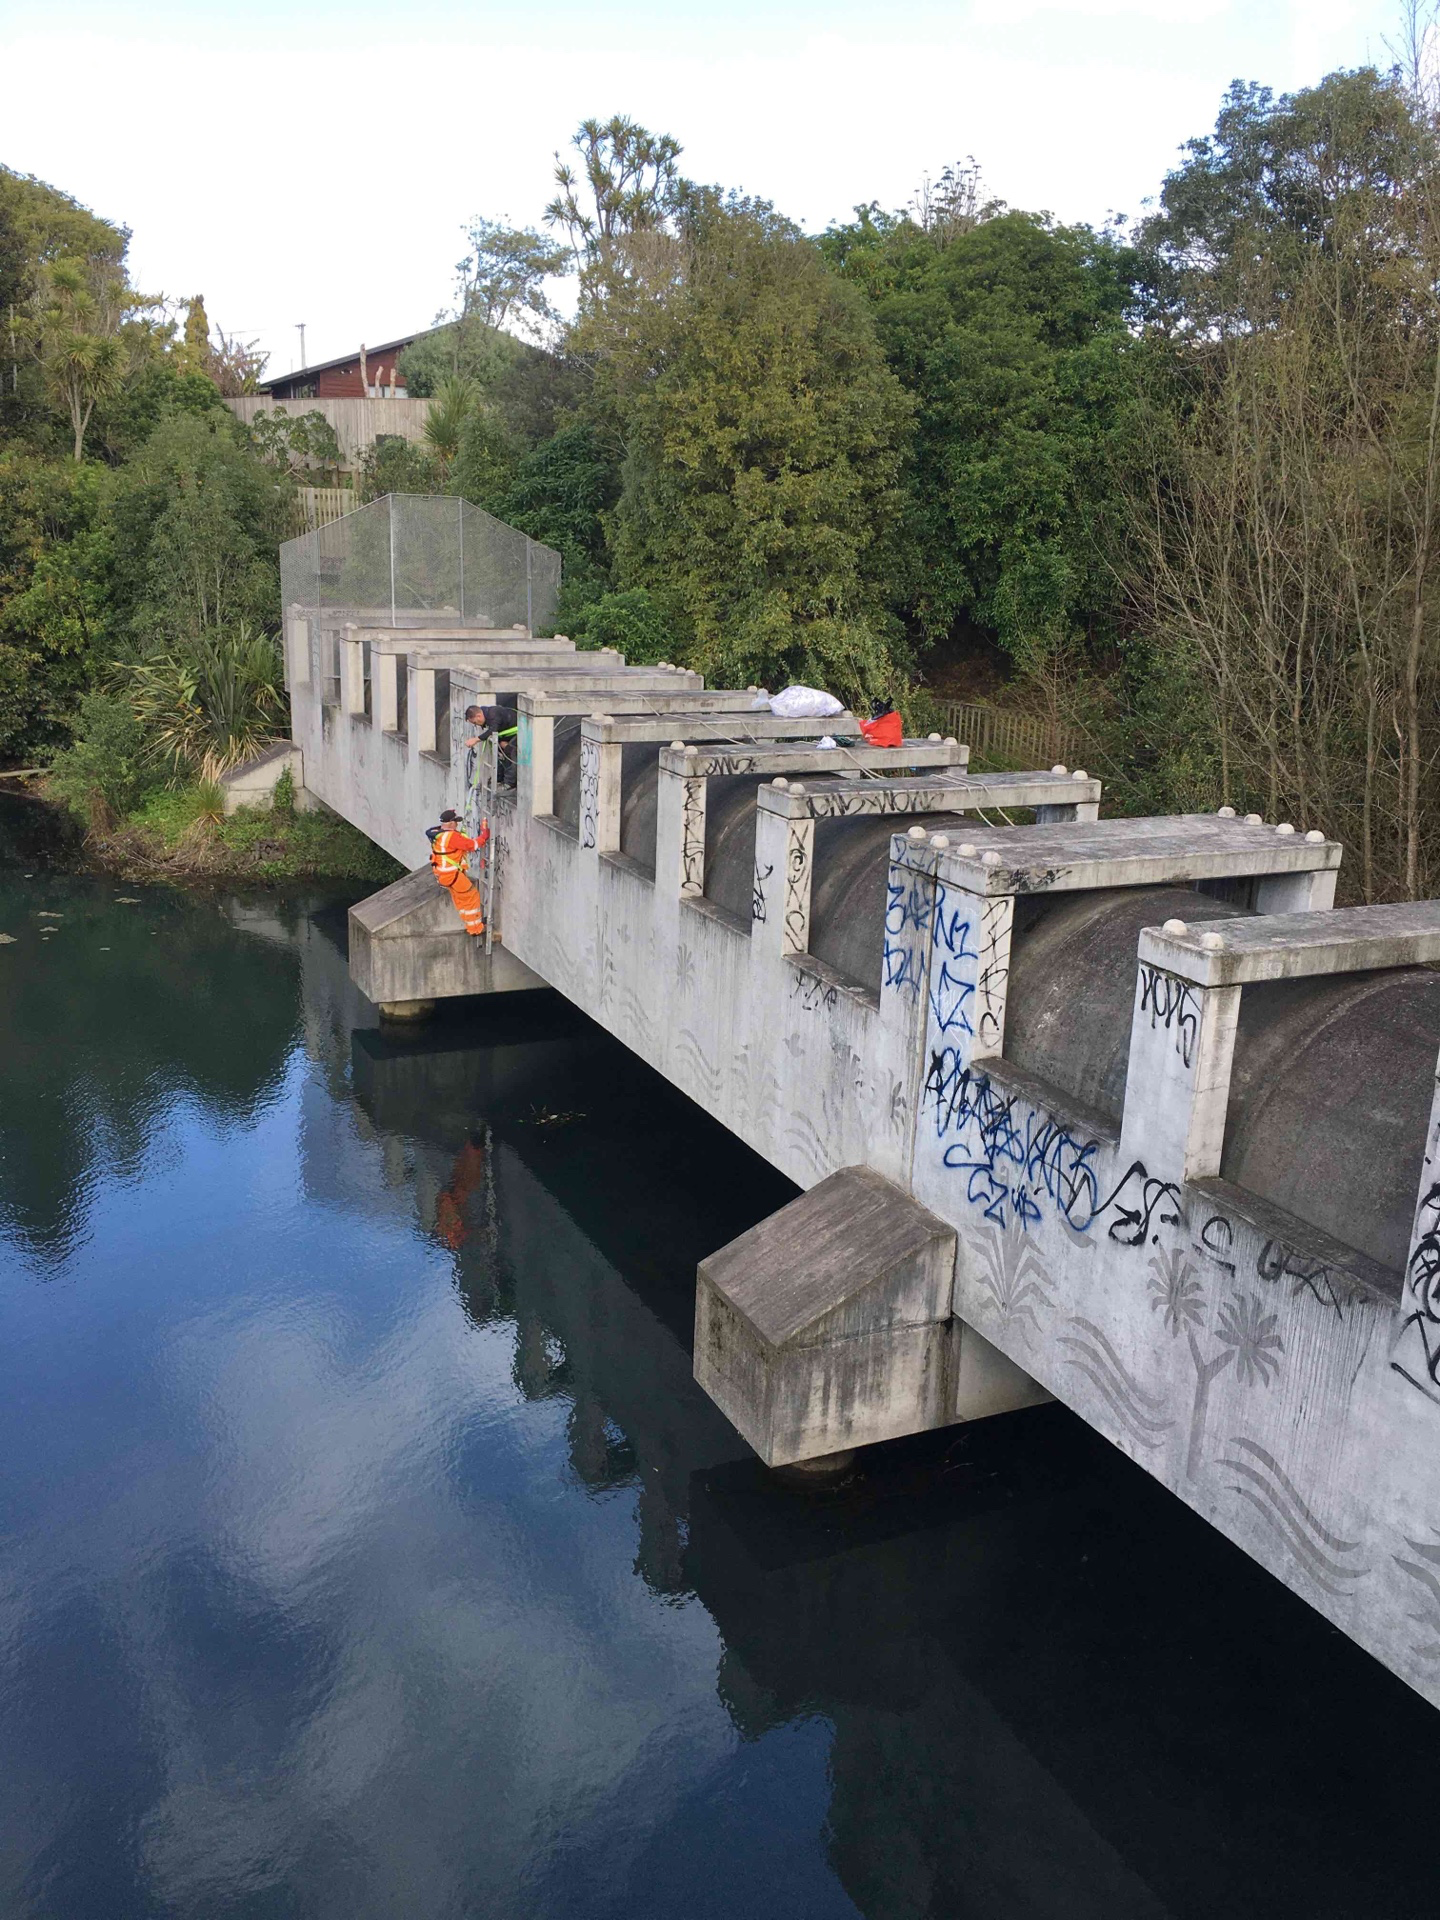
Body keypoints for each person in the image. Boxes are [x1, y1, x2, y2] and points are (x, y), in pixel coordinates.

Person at [427, 808, 489, 936]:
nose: (457, 824)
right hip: (452, 875)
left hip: (444, 875)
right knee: (472, 896)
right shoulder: (451, 837)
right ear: (450, 823)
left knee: (461, 900)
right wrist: (484, 836)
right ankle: (475, 928)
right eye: (455, 822)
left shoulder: (436, 833)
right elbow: (472, 845)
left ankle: (471, 924)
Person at [464, 703, 519, 787]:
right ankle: (499, 778)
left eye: (475, 722)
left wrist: (476, 739)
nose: (476, 725)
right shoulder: (486, 714)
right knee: (499, 755)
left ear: (478, 716)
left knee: (511, 753)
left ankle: (509, 783)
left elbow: (493, 730)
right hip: (507, 734)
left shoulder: (494, 713)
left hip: (519, 731)